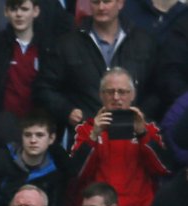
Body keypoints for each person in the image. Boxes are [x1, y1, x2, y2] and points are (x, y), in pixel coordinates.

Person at [36, 0, 161, 133]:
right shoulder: (68, 44)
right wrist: (67, 110)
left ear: (120, 3)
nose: (101, 7)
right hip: (86, 135)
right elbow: (44, 88)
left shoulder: (144, 42)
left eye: (107, 1)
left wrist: (142, 114)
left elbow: (158, 89)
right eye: (96, 2)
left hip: (131, 134)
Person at [68, 68, 171, 206]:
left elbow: (163, 169)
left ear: (132, 95)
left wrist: (142, 134)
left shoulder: (149, 129)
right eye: (110, 92)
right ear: (101, 95)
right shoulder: (86, 130)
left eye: (122, 92)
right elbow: (75, 174)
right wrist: (94, 136)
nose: (116, 97)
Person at [0, 0, 60, 157]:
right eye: (13, 9)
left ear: (36, 11)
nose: (19, 14)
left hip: (37, 131)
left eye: (24, 9)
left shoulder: (50, 47)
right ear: (6, 12)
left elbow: (55, 91)